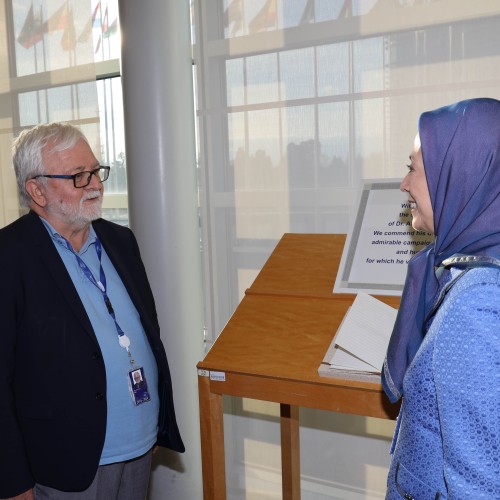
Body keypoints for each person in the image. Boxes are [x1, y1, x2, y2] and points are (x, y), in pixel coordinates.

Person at [0, 123, 184, 499]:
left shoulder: (120, 241)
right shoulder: (9, 256)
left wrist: (153, 421)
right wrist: (13, 482)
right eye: (78, 176)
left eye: (96, 171)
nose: (96, 185)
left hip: (139, 447)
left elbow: (146, 335)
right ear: (37, 190)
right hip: (64, 463)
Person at [382, 98, 500, 499]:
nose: (404, 184)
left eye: (413, 167)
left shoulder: (475, 306)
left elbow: (479, 484)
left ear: (457, 175)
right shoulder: (476, 272)